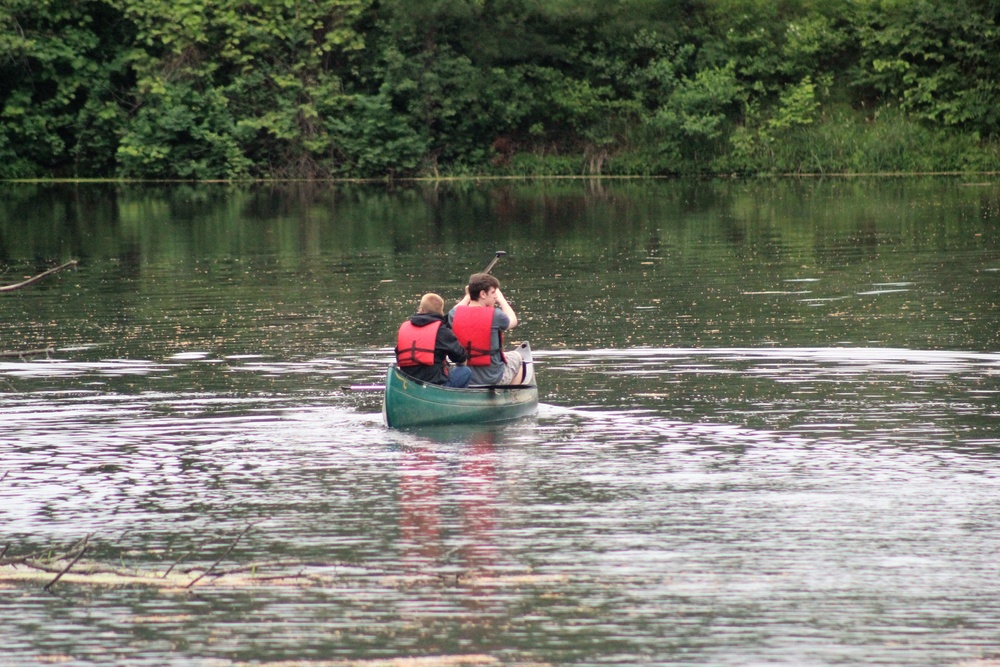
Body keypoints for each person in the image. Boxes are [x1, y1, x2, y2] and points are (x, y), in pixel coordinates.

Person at [449, 272, 526, 386]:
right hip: (493, 378)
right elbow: (513, 320)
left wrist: (467, 297)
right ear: (483, 294)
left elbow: (454, 310)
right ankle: (510, 397)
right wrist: (502, 300)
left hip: (467, 378)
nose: (495, 296)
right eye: (493, 292)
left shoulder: (454, 314)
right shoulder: (496, 315)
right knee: (518, 357)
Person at [396, 293, 472, 388]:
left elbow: (399, 356)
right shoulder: (442, 331)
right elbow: (460, 357)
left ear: (421, 310)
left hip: (409, 385)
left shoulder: (405, 328)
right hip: (435, 386)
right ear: (441, 311)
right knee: (465, 371)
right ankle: (454, 400)